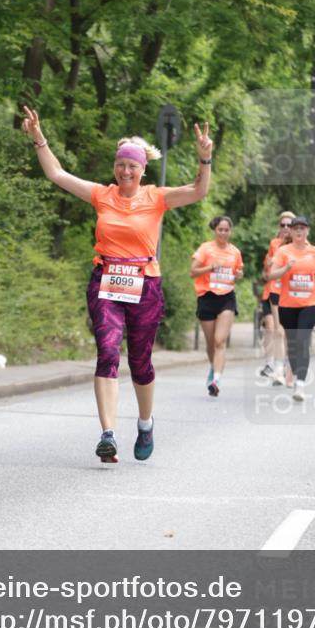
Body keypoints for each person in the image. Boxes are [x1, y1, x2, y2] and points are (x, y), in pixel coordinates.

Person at [21, 105, 213, 463]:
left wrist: (205, 158)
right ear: (115, 167)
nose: (126, 171)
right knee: (108, 352)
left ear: (142, 170)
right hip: (106, 280)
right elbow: (57, 174)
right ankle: (107, 434)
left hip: (145, 284)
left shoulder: (156, 197)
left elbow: (199, 191)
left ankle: (145, 423)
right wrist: (38, 137)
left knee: (140, 362)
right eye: (121, 164)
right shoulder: (102, 195)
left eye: (132, 166)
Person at [267, 215, 315, 402]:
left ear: (307, 231)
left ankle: (300, 384)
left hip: (310, 303)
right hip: (287, 304)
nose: (299, 231)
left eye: (302, 228)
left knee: (302, 340)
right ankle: (294, 374)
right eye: (296, 228)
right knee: (292, 345)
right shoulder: (283, 251)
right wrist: (285, 269)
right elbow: (271, 274)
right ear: (291, 232)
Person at [190, 216, 244, 397]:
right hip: (207, 297)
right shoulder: (206, 249)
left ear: (230, 231)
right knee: (211, 343)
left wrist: (239, 274)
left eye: (226, 230)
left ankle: (216, 380)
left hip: (227, 298)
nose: (223, 233)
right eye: (220, 229)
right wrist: (211, 267)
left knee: (220, 340)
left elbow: (239, 272)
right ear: (215, 230)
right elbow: (192, 272)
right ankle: (214, 368)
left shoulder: (235, 252)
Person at [258, 212, 295, 384]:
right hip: (271, 291)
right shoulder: (274, 244)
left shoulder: (299, 245)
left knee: (284, 330)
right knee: (271, 327)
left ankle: (284, 362)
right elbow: (267, 270)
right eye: (283, 225)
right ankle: (270, 363)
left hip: (288, 293)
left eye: (289, 225)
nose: (286, 228)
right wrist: (269, 265)